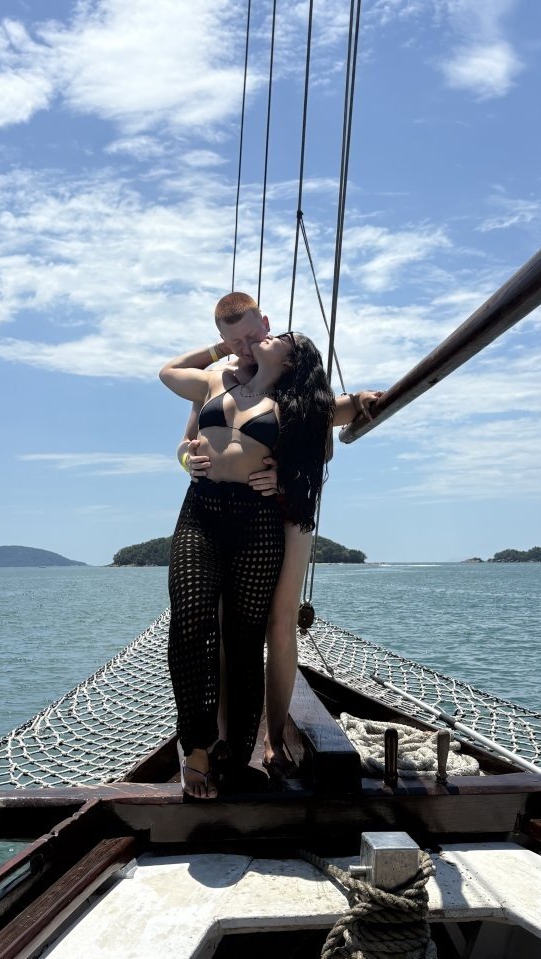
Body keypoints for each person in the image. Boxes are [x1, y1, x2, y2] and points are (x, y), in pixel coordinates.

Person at [175, 292, 381, 778]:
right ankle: (217, 737)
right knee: (214, 623)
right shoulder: (219, 378)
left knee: (277, 623)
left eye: (256, 335)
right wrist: (188, 461)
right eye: (236, 340)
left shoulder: (295, 388)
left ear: (267, 326)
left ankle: (268, 739)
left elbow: (336, 413)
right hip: (214, 508)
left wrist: (364, 401)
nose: (249, 344)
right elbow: (185, 443)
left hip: (281, 512)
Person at [160, 326, 334, 799]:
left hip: (256, 521)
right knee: (190, 620)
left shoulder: (295, 406)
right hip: (201, 511)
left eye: (281, 338)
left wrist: (284, 477)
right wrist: (186, 458)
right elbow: (168, 374)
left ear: (292, 362)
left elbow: (331, 428)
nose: (268, 337)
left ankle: (235, 754)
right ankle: (197, 745)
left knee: (243, 641)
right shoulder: (218, 378)